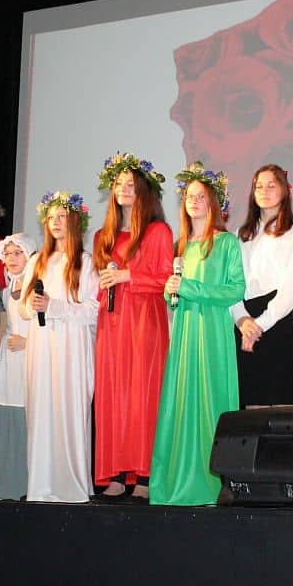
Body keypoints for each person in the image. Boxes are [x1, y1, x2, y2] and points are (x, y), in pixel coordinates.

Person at [150, 162, 245, 506]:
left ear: (213, 202)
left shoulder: (226, 243)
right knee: (182, 402)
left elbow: (235, 289)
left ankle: (212, 483)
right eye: (189, 196)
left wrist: (190, 288)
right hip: (186, 332)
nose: (194, 201)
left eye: (201, 196)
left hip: (213, 332)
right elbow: (175, 296)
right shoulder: (181, 246)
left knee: (211, 400)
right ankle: (177, 480)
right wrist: (171, 292)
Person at [92, 151, 172, 501]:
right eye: (119, 183)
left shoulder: (158, 231)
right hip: (111, 321)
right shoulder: (103, 236)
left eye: (130, 184)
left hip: (144, 321)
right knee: (113, 395)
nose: (123, 189)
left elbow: (166, 279)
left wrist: (128, 275)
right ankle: (113, 473)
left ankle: (143, 474)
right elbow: (98, 284)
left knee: (143, 395)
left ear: (143, 191)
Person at [21, 192, 99, 503]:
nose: (55, 222)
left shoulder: (85, 262)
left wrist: (54, 307)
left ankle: (71, 485)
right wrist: (33, 304)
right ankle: (41, 485)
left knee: (69, 411)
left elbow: (92, 311)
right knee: (42, 412)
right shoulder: (36, 261)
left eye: (61, 216)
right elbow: (23, 308)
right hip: (42, 347)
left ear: (75, 221)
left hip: (72, 349)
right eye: (51, 217)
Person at [232, 163, 293, 408]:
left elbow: (292, 288)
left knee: (284, 406)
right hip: (247, 320)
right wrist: (242, 319)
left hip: (280, 321)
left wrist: (260, 324)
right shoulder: (241, 234)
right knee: (253, 405)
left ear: (285, 190)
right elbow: (232, 283)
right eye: (259, 186)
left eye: (271, 185)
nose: (264, 191)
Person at [0, 234, 36, 500]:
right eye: (8, 254)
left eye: (18, 253)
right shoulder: (6, 292)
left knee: (26, 415)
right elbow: (3, 328)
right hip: (8, 361)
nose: (12, 259)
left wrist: (29, 342)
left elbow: (47, 327)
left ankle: (26, 485)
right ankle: (3, 485)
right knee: (5, 411)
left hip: (29, 360)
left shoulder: (37, 289)